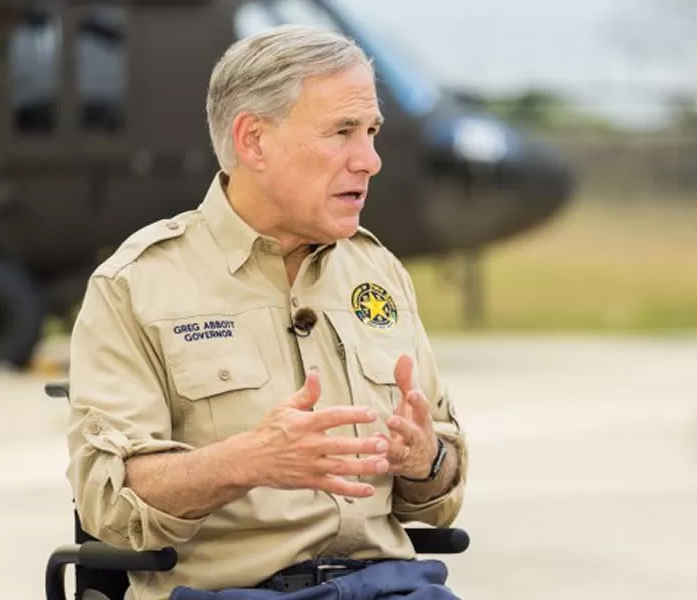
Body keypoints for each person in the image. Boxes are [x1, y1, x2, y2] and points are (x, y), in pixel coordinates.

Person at [65, 24, 468, 600]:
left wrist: (426, 459)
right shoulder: (137, 285)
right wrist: (246, 461)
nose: (371, 160)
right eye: (343, 132)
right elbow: (106, 501)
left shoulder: (378, 274)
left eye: (373, 131)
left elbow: (445, 481)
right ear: (254, 140)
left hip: (393, 587)